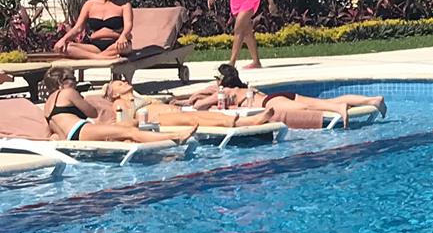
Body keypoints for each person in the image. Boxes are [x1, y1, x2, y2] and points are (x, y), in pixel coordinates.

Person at [183, 63, 385, 129]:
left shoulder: (226, 92)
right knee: (323, 101)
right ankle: (372, 100)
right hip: (279, 95)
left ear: (221, 81)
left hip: (272, 102)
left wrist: (201, 93)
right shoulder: (240, 89)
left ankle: (339, 110)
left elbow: (200, 106)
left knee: (311, 109)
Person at [40, 67, 193, 144]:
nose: (76, 82)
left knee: (124, 129)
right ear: (61, 82)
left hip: (69, 138)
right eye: (73, 79)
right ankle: (174, 137)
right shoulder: (68, 93)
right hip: (80, 130)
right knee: (129, 131)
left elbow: (52, 129)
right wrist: (81, 99)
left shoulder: (48, 104)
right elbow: (92, 113)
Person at [103, 77, 277, 133]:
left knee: (204, 115)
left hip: (175, 112)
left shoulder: (138, 96)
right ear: (115, 94)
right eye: (119, 84)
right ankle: (250, 122)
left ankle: (247, 121)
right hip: (159, 121)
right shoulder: (120, 102)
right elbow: (123, 120)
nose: (124, 82)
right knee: (197, 118)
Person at [51, 0, 133, 59]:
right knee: (67, 47)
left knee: (124, 47)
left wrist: (123, 37)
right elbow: (78, 28)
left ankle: (96, 57)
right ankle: (100, 57)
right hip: (95, 46)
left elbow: (128, 25)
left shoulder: (124, 5)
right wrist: (63, 40)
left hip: (116, 43)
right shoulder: (89, 4)